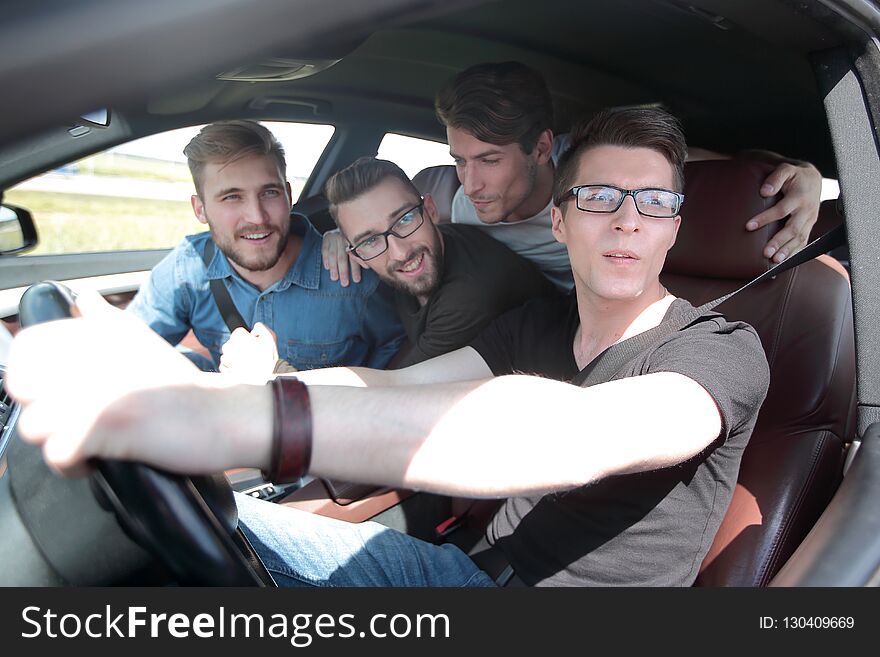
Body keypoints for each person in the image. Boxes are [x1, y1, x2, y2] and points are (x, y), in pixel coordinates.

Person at [8, 107, 770, 587]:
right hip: (456, 573)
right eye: (601, 198)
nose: (629, 220)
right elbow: (390, 385)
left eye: (655, 202)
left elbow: (573, 435)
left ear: (675, 224)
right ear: (560, 221)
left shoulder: (721, 352)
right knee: (207, 527)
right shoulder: (536, 326)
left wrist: (237, 419)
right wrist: (235, 391)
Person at [322, 61, 823, 290]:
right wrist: (333, 238)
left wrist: (805, 173)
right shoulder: (438, 190)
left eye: (490, 160)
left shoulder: (594, 167)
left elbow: (727, 168)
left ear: (541, 147)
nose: (470, 184)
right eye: (460, 159)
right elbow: (375, 219)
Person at [220, 156, 556, 378]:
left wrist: (277, 375)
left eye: (405, 219)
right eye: (369, 241)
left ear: (431, 210)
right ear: (355, 253)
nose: (399, 252)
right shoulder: (390, 253)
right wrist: (332, 237)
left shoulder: (474, 293)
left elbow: (395, 392)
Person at [126, 120, 404, 371]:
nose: (257, 217)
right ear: (200, 209)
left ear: (288, 195)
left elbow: (397, 359)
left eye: (269, 193)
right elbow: (128, 350)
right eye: (232, 197)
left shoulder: (352, 277)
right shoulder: (186, 269)